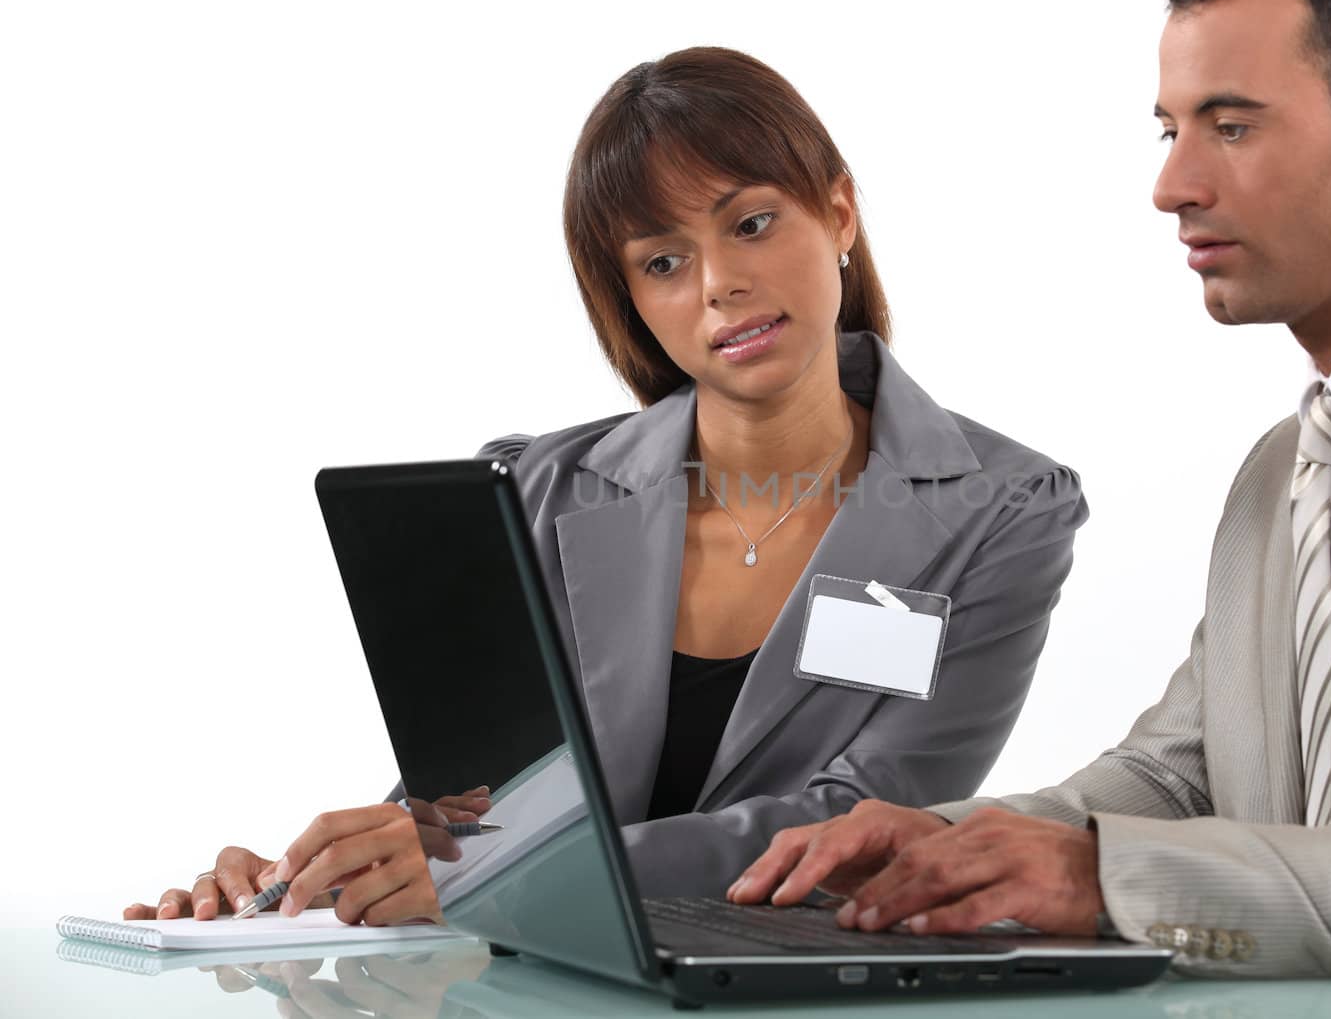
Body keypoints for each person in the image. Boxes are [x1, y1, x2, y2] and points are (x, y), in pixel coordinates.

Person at [731, 0, 1331, 980]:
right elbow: (1175, 777)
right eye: (1170, 128)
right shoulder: (1285, 468)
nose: (1170, 186)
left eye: (1230, 126)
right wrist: (935, 839)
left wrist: (1112, 879)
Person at [125, 47, 1087, 924]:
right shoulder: (535, 490)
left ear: (838, 212)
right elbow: (479, 809)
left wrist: (494, 878)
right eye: (664, 261)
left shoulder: (1004, 510)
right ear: (630, 298)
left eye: (751, 223)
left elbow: (860, 820)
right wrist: (312, 878)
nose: (718, 283)